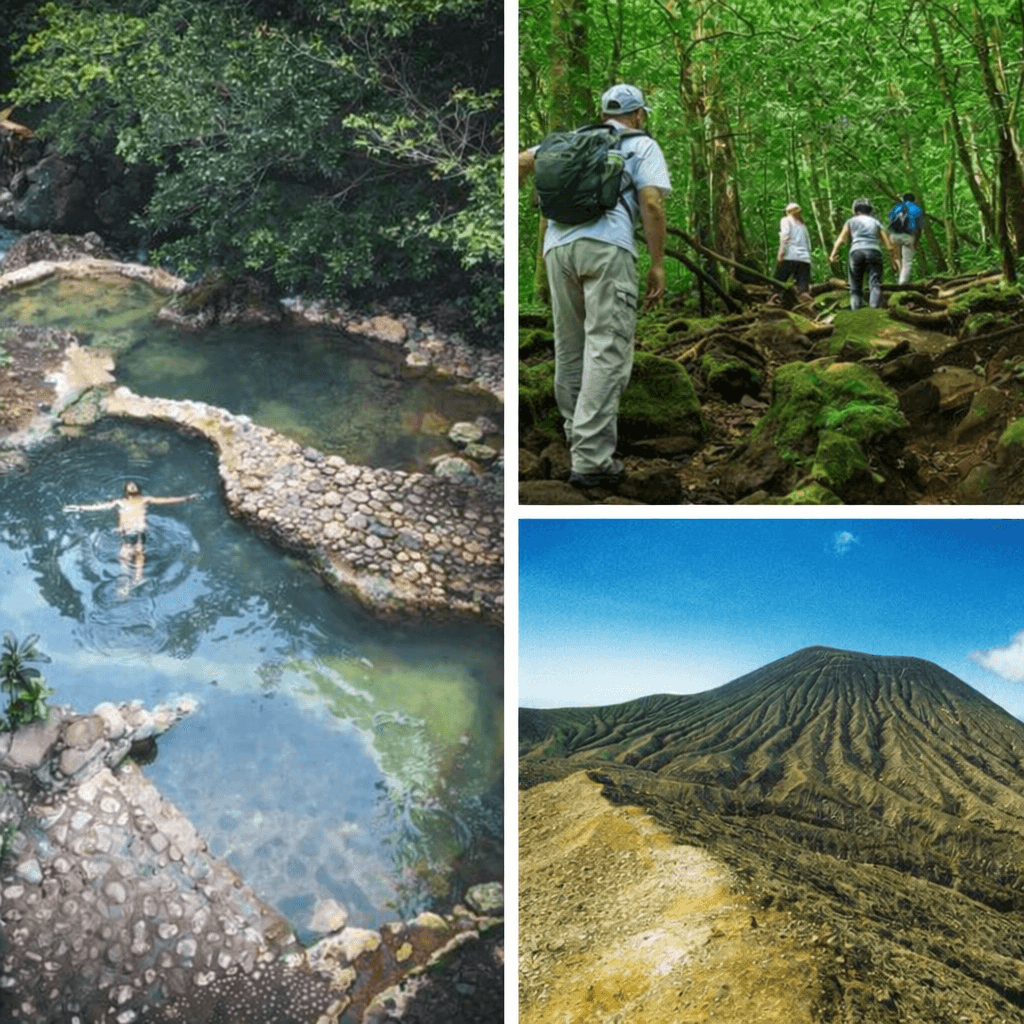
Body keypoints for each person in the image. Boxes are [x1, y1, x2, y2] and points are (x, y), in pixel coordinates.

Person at [519, 83, 672, 489]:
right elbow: (652, 204)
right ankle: (591, 460)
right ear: (638, 115)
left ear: (603, 112)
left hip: (557, 250)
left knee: (570, 348)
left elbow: (518, 162)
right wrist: (657, 264)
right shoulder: (641, 144)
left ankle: (576, 439)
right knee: (607, 347)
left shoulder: (570, 140)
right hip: (608, 248)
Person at [64, 481, 198, 589]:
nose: (132, 485)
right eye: (129, 485)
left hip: (139, 531)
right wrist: (80, 508)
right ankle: (124, 586)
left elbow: (166, 500)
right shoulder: (120, 502)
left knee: (139, 552)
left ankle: (138, 579)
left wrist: (185, 498)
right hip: (125, 533)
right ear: (126, 491)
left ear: (138, 489)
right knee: (124, 558)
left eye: (134, 484)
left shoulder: (145, 499)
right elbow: (100, 507)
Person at [829, 199, 898, 310]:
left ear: (855, 210)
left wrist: (833, 254)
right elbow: (888, 245)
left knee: (855, 287)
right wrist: (893, 262)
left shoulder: (850, 222)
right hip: (874, 252)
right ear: (869, 210)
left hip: (856, 252)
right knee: (875, 284)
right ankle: (874, 312)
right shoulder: (876, 222)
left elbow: (841, 239)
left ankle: (857, 312)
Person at [771, 202, 813, 303]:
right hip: (804, 259)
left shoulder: (786, 220)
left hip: (790, 256)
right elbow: (808, 243)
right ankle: (808, 307)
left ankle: (772, 300)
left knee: (777, 283)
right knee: (803, 289)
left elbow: (785, 236)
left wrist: (781, 253)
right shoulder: (802, 225)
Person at [887, 192, 924, 284]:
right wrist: (916, 241)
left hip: (894, 235)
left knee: (897, 258)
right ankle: (902, 282)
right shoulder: (917, 209)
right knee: (907, 261)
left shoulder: (897, 207)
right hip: (908, 236)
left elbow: (890, 218)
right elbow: (919, 227)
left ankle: (898, 275)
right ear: (914, 200)